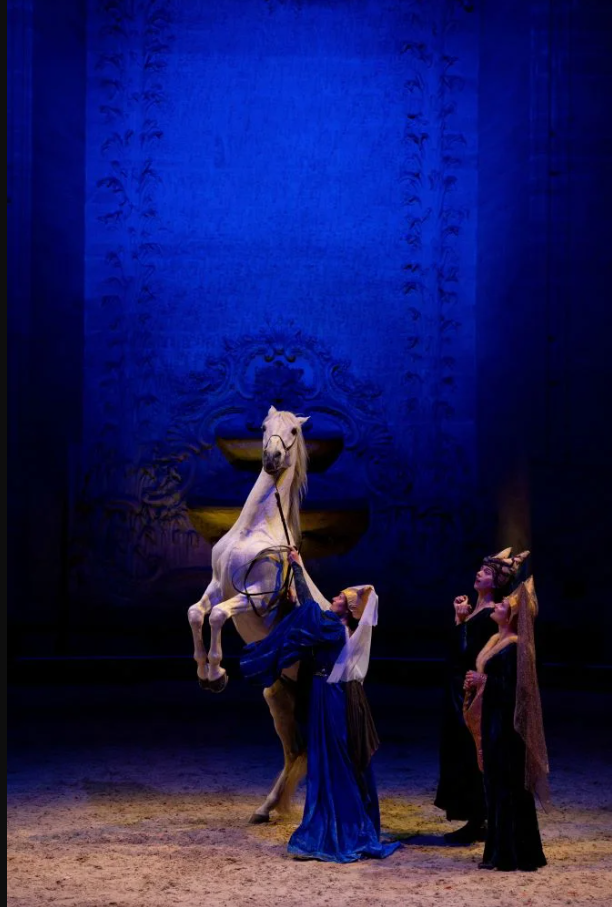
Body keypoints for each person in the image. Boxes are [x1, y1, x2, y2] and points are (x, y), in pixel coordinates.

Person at [240, 549, 400, 863]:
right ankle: (336, 819)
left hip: (329, 697)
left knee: (332, 760)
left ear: (347, 609)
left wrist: (298, 567)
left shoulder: (333, 627)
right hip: (323, 694)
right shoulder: (336, 626)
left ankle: (340, 827)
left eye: (339, 597)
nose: (334, 599)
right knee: (326, 758)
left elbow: (310, 607)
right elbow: (307, 614)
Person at [435, 548, 530, 844]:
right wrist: (460, 619)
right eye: (480, 569)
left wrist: (461, 623)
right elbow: (453, 652)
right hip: (457, 689)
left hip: (472, 691)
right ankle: (474, 816)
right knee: (459, 750)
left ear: (496, 582)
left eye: (487, 572)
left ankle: (479, 817)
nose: (479, 574)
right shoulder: (475, 610)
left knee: (471, 751)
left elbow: (469, 655)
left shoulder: (491, 615)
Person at [463, 576, 549, 871]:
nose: (497, 605)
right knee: (496, 786)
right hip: (494, 722)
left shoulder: (515, 647)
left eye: (502, 604)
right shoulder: (497, 642)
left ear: (511, 616)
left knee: (506, 787)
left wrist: (483, 680)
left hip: (506, 727)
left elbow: (515, 691)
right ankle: (501, 850)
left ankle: (509, 854)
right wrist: (477, 682)